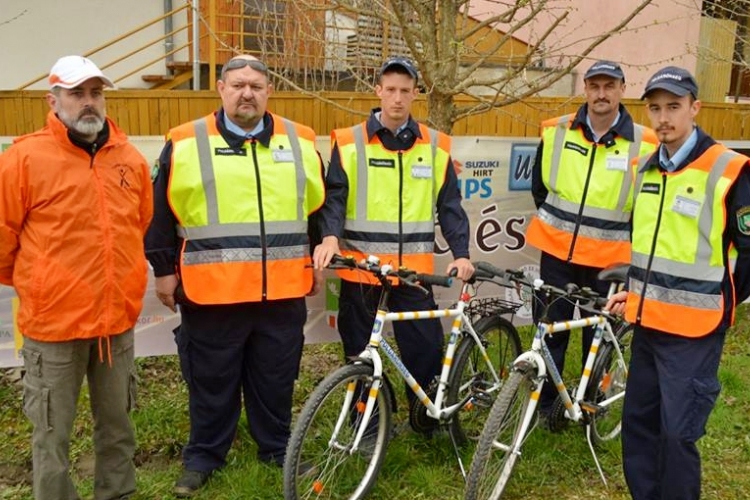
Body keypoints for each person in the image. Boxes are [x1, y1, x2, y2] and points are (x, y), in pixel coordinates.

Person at [145, 54, 326, 497]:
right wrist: (164, 271)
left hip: (282, 291)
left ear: (269, 92)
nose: (247, 93)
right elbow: (159, 215)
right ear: (221, 89)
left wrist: (318, 257)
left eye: (257, 85)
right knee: (211, 380)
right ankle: (204, 456)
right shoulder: (185, 141)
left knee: (276, 377)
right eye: (238, 84)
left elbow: (317, 212)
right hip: (212, 293)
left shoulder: (300, 140)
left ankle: (277, 449)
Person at [0, 56, 153, 500]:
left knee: (118, 428)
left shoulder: (128, 158)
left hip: (116, 326)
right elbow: (4, 240)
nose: (89, 103)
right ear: (53, 100)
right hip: (54, 329)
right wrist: (44, 286)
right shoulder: (24, 158)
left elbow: (139, 225)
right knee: (51, 436)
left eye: (96, 93)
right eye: (77, 94)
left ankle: (117, 494)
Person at [605, 66, 750, 500]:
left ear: (695, 107)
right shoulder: (646, 169)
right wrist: (636, 291)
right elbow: (647, 247)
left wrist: (725, 302)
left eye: (673, 106)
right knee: (639, 427)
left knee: (676, 434)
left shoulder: (728, 170)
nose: (663, 117)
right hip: (647, 324)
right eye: (655, 108)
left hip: (694, 332)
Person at [312, 57, 474, 419]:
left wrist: (461, 253)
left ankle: (427, 419)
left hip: (413, 276)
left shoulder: (435, 146)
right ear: (378, 92)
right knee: (360, 355)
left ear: (416, 93)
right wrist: (329, 239)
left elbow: (450, 207)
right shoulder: (349, 142)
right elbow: (334, 198)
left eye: (405, 91)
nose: (397, 98)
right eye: (391, 90)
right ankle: (366, 426)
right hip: (363, 275)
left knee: (425, 352)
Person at [524, 60, 658, 422]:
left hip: (610, 261)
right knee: (550, 330)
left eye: (609, 86)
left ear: (622, 89)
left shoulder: (646, 143)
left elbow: (649, 206)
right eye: (595, 86)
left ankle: (589, 403)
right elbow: (540, 188)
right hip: (557, 252)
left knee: (598, 336)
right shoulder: (557, 131)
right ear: (585, 89)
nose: (601, 93)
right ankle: (547, 403)